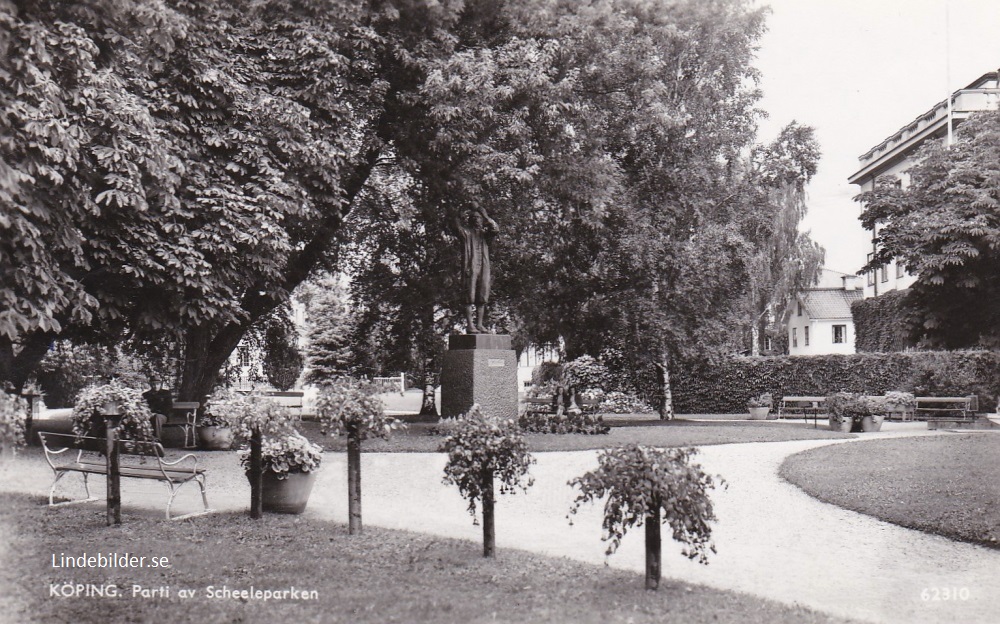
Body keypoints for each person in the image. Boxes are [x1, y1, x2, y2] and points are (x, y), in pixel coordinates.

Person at [455, 205, 499, 334]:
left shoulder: (485, 235)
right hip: (471, 267)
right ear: (470, 220)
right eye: (473, 218)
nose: (476, 220)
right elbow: (455, 224)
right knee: (469, 295)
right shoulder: (466, 233)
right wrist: (462, 208)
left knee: (482, 295)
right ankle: (470, 325)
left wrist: (486, 216)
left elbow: (495, 229)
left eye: (478, 218)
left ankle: (479, 324)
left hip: (483, 267)